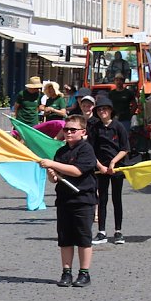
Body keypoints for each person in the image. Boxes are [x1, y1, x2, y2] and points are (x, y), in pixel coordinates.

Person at [39, 115, 98, 287]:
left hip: (83, 200)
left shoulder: (86, 150)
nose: (69, 132)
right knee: (65, 238)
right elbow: (56, 179)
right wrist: (52, 175)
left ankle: (84, 273)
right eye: (66, 129)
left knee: (83, 237)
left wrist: (53, 164)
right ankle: (66, 272)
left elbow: (77, 171)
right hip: (64, 200)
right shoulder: (61, 152)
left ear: (83, 132)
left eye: (73, 130)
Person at [88, 96, 130, 246]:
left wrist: (113, 162)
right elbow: (91, 150)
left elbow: (125, 148)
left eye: (104, 109)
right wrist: (100, 166)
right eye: (99, 109)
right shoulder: (95, 128)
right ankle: (102, 232)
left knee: (117, 199)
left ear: (110, 111)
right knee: (102, 200)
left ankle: (118, 231)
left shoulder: (119, 127)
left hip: (117, 168)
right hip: (101, 169)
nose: (102, 112)